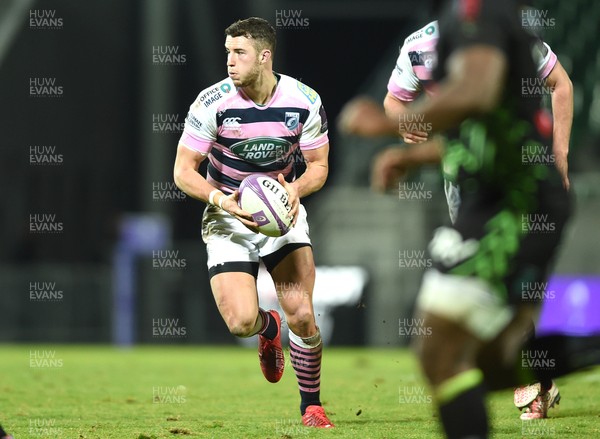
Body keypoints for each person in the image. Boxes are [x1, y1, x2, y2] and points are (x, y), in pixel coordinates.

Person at [338, 17, 573, 419]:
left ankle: (533, 383)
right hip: (469, 195)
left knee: (447, 344)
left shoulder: (493, 26)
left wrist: (559, 155)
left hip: (515, 198)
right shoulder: (424, 44)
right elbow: (457, 128)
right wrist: (408, 150)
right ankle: (541, 372)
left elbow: (501, 93)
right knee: (456, 348)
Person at [173, 17, 333, 428]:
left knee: (301, 311)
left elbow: (318, 166)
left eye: (239, 53)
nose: (229, 61)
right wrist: (219, 198)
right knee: (240, 322)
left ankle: (311, 406)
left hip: (281, 214)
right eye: (227, 52)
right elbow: (183, 171)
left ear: (264, 57)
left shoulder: (304, 100)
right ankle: (267, 326)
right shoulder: (212, 103)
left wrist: (295, 190)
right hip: (228, 214)